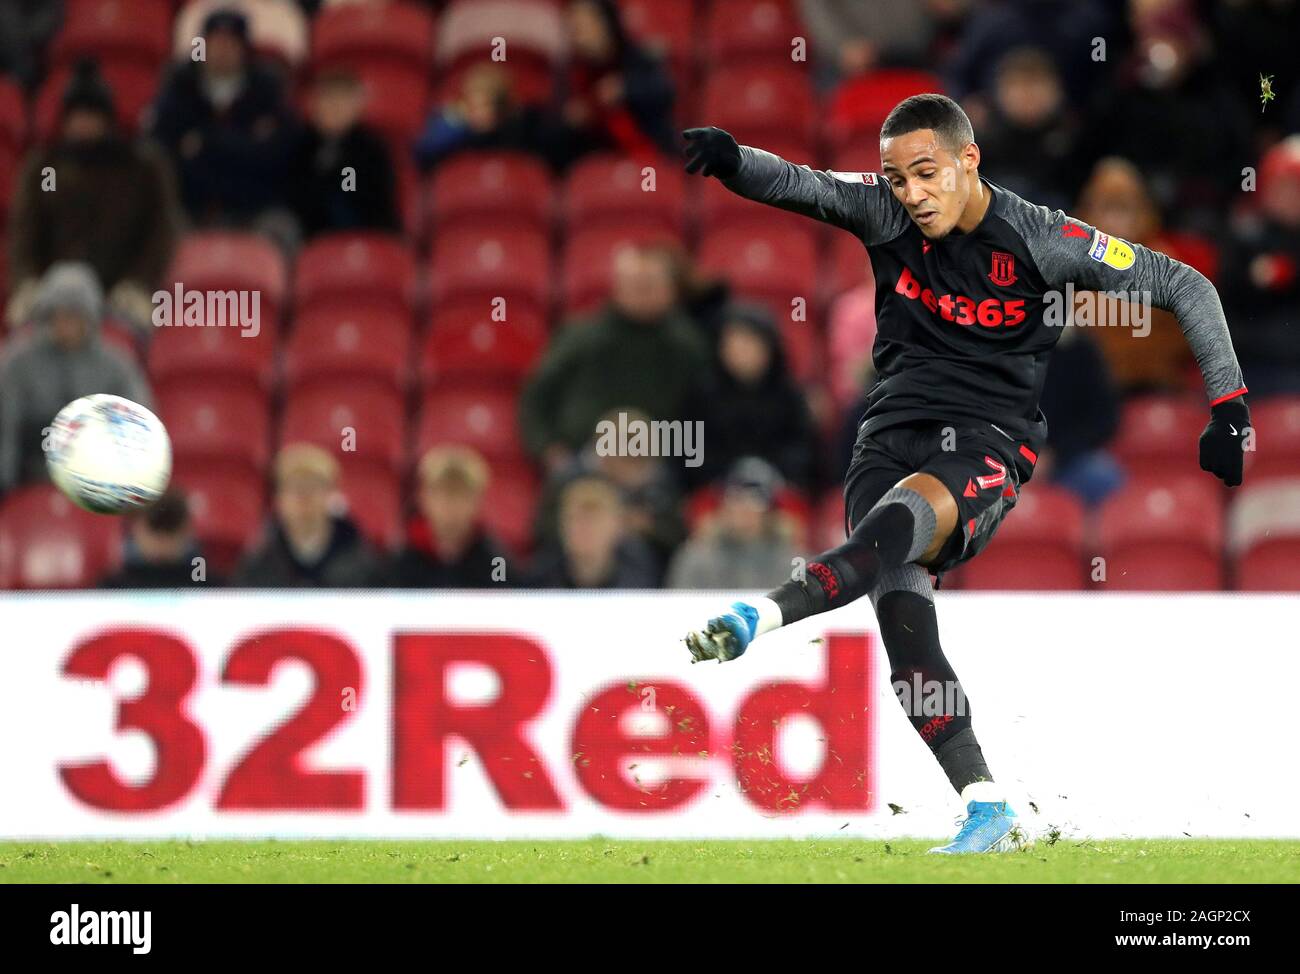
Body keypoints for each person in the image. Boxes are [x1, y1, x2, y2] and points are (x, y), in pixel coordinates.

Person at [679, 94, 1249, 853]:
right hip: (885, 436)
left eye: (925, 173)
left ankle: (762, 615)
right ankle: (985, 804)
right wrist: (733, 160)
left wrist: (1230, 405)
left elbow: (1185, 286)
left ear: (967, 160)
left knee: (889, 534)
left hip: (986, 441)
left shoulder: (1044, 239)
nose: (911, 194)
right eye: (896, 178)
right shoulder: (883, 213)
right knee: (909, 642)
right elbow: (801, 183)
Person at [6, 60, 180, 333]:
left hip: (121, 291)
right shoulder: (46, 168)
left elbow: (160, 231)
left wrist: (139, 283)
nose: (83, 124)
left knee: (130, 330)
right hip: (54, 292)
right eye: (77, 116)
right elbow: (27, 232)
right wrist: (28, 283)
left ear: (107, 120)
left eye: (91, 116)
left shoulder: (140, 167)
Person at [518, 243, 707, 473]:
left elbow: (704, 412)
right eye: (634, 284)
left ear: (671, 289)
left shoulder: (688, 344)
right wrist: (547, 448)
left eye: (648, 285)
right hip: (581, 461)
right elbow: (538, 394)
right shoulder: (580, 335)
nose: (641, 292)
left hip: (660, 466)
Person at [0, 263, 153, 493]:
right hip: (29, 479)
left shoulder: (117, 367)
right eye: (58, 316)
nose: (65, 326)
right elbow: (5, 430)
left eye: (74, 316)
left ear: (90, 319)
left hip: (97, 481)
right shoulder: (18, 364)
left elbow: (138, 426)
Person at [150, 8, 297, 228]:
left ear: (244, 49)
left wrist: (205, 142)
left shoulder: (267, 90)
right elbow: (161, 149)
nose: (223, 50)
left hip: (254, 206)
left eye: (231, 44)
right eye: (216, 43)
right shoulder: (180, 87)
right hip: (191, 205)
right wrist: (244, 144)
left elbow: (276, 154)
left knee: (281, 228)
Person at [681, 303, 819, 491]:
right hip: (716, 493)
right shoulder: (701, 394)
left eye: (750, 343)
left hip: (778, 490)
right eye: (734, 343)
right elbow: (690, 452)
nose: (742, 352)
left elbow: (804, 452)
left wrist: (772, 475)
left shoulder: (789, 395)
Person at [231, 443, 377, 586]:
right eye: (294, 487)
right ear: (279, 499)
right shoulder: (258, 564)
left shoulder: (363, 566)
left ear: (332, 495)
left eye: (313, 486)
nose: (304, 496)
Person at [289, 67, 399, 239]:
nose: (335, 108)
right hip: (309, 238)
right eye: (328, 99)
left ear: (357, 106)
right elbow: (295, 199)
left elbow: (354, 190)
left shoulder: (371, 149)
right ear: (313, 105)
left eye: (343, 101)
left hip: (366, 233)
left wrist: (338, 169)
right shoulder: (299, 146)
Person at [382, 446, 511, 588]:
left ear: (477, 501)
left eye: (460, 495)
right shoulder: (400, 560)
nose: (451, 506)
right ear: (423, 498)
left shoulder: (496, 562)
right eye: (443, 494)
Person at [667, 458, 801, 591]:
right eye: (736, 496)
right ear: (723, 505)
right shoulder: (696, 559)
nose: (744, 507)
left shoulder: (793, 563)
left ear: (771, 512)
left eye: (755, 499)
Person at [526, 473, 658, 589]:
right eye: (576, 519)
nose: (586, 528)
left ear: (618, 527)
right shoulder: (538, 583)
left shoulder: (643, 584)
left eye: (596, 520)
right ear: (562, 525)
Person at [100, 489, 220, 588]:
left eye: (170, 528)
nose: (162, 540)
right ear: (133, 528)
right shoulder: (112, 589)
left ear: (188, 529)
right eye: (155, 528)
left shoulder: (210, 589)